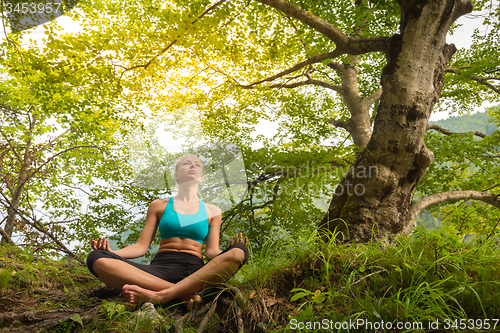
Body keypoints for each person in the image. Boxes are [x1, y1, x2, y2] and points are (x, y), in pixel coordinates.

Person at [86, 154, 249, 307]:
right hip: (158, 270)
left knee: (238, 252)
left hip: (194, 272)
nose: (193, 166)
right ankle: (183, 293)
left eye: (197, 165)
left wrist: (229, 251)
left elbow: (211, 252)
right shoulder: (159, 205)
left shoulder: (213, 210)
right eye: (187, 163)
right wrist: (112, 252)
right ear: (177, 175)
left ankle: (161, 296)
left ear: (201, 177)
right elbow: (141, 247)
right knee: (97, 259)